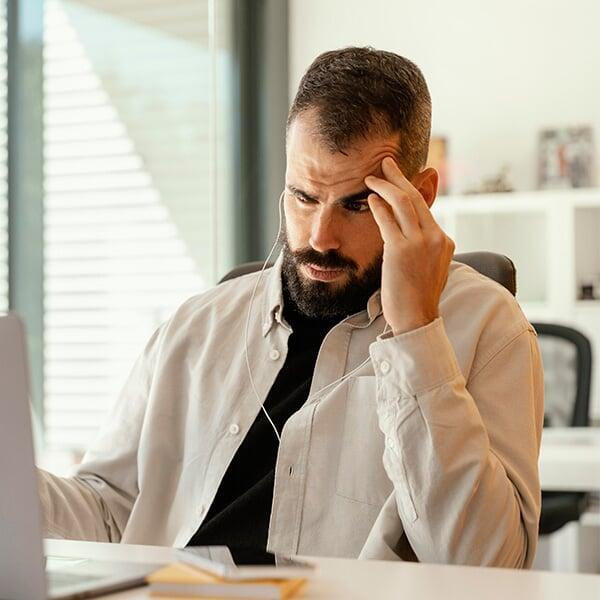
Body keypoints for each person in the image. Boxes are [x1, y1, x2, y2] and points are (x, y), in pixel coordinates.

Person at [38, 47, 544, 567]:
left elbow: (488, 566)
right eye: (303, 197)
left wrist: (416, 331)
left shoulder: (488, 328)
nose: (320, 237)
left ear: (420, 194)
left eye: (355, 204)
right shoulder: (197, 326)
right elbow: (110, 513)